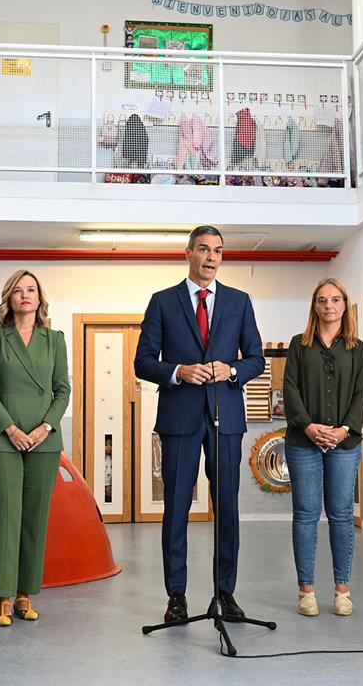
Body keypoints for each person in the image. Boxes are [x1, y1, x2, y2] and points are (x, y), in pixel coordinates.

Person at [134, 225, 265, 623]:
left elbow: (257, 358)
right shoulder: (162, 302)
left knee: (227, 509)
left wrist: (230, 370)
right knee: (176, 511)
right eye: (204, 249)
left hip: (226, 419)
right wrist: (177, 372)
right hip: (180, 419)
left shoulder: (239, 302)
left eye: (218, 251)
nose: (211, 257)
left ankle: (226, 592)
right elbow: (142, 361)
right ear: (188, 253)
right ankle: (176, 597)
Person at [0, 269, 70, 626]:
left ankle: (23, 594)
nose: (25, 295)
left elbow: (63, 389)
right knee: (5, 516)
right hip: (2, 440)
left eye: (31, 290)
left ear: (40, 298)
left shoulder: (55, 339)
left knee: (34, 518)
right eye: (18, 290)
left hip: (44, 440)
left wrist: (46, 426)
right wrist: (12, 429)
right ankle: (1, 597)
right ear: (9, 298)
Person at [282, 277, 363, 617]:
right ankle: (307, 591)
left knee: (342, 516)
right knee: (305, 516)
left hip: (345, 444)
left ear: (345, 306)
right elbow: (290, 390)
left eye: (335, 300)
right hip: (304, 442)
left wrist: (345, 429)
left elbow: (361, 392)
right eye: (322, 300)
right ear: (314, 307)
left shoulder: (357, 348)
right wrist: (309, 426)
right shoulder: (298, 346)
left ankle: (342, 590)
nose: (329, 306)